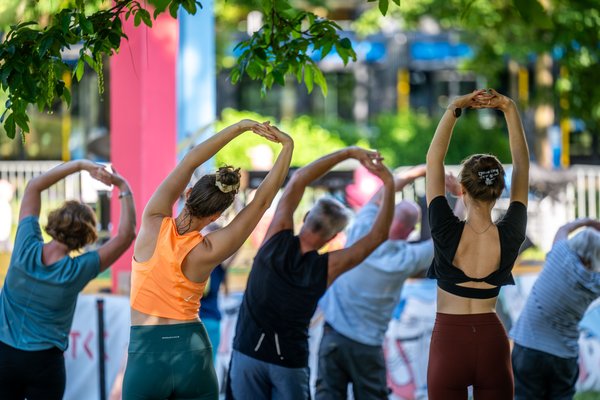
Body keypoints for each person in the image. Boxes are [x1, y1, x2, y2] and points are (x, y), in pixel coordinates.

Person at [122, 120, 293, 400]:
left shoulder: (153, 222)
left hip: (146, 352)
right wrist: (287, 146)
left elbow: (189, 162)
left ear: (187, 194)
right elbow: (261, 203)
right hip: (192, 351)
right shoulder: (210, 249)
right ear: (216, 217)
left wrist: (240, 127)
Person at [227, 146, 395, 400]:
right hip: (289, 362)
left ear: (305, 217)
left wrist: (349, 153)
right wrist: (389, 182)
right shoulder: (328, 267)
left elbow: (299, 179)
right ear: (333, 237)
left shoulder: (276, 237)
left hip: (248, 352)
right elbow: (378, 236)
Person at [315, 165, 464, 399]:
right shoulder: (406, 259)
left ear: (388, 216)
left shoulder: (363, 229)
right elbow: (452, 236)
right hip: (367, 345)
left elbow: (383, 193)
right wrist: (463, 196)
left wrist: (420, 171)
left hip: (333, 334)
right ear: (409, 232)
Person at [0, 160, 136, 400]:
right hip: (44, 364)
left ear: (55, 221)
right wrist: (123, 186)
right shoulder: (78, 270)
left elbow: (34, 186)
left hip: (4, 354)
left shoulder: (24, 246)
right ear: (85, 238)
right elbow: (126, 235)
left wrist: (81, 166)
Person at [425, 89, 529, 399]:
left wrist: (454, 108)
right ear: (499, 192)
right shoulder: (512, 232)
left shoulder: (444, 228)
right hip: (492, 341)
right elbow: (522, 165)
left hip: (449, 342)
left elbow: (434, 158)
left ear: (460, 189)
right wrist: (508, 108)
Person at [510, 218, 600, 400]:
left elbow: (563, 228)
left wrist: (588, 222)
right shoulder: (595, 284)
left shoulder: (559, 256)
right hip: (564, 355)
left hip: (529, 347)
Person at [199, 222, 237, 362]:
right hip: (194, 322)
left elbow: (236, 242)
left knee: (207, 369)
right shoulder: (195, 260)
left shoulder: (219, 263)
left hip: (208, 321)